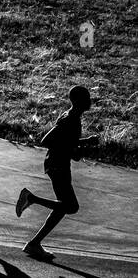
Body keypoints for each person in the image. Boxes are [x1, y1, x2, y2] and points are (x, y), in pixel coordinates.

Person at [16, 85, 98, 257]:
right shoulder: (71, 118)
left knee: (61, 207)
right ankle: (31, 198)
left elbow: (67, 141)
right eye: (86, 98)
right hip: (57, 165)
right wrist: (78, 150)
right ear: (77, 100)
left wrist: (85, 142)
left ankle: (34, 244)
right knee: (71, 206)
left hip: (58, 164)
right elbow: (47, 140)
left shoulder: (72, 116)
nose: (89, 101)